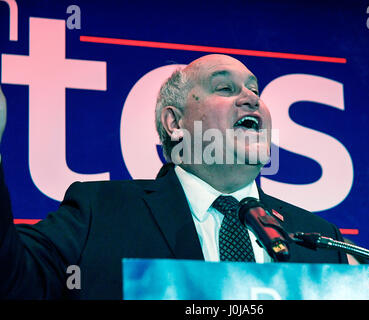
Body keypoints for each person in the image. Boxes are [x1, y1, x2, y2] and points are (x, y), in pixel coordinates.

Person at [0, 54, 347, 300]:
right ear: (175, 123)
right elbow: (13, 279)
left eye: (255, 91)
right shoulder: (100, 212)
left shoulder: (320, 243)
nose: (250, 99)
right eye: (225, 89)